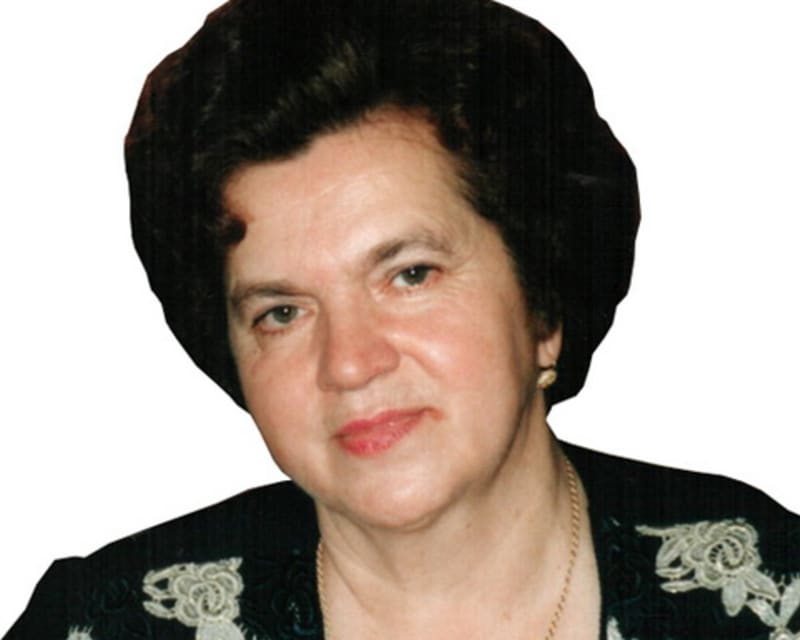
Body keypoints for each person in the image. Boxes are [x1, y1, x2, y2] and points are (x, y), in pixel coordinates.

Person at [3, 1, 798, 639]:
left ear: (544, 304)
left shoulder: (768, 597)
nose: (349, 363)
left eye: (410, 274)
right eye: (282, 312)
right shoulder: (108, 622)